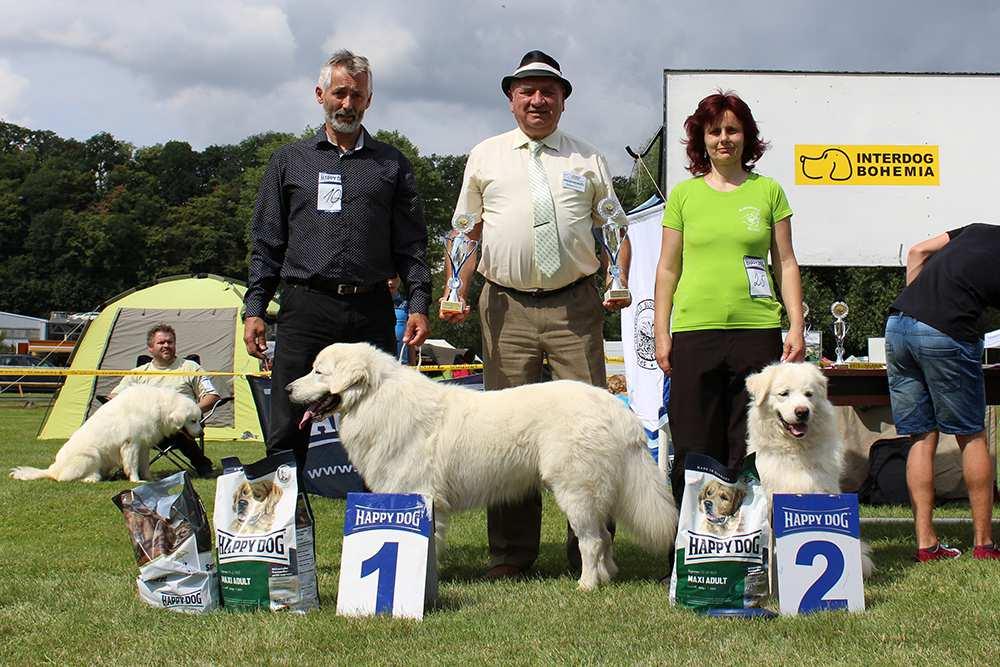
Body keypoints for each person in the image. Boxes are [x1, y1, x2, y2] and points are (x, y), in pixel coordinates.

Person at [440, 50, 631, 579]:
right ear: (511, 99)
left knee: (589, 430)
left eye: (549, 90)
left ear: (564, 100)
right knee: (502, 435)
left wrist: (618, 280)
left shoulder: (588, 159)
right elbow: (465, 230)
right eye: (527, 90)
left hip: (576, 307)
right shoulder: (485, 156)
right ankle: (511, 555)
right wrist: (455, 286)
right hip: (505, 308)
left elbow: (613, 227)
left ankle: (591, 553)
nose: (538, 100)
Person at [243, 50, 431, 469]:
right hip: (306, 306)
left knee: (387, 425)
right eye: (340, 93)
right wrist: (255, 309)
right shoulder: (289, 161)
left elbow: (411, 245)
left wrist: (418, 302)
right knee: (289, 424)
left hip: (371, 308)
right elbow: (267, 242)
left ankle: (385, 524)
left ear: (369, 100)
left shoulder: (391, 164)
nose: (347, 104)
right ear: (320, 94)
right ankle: (284, 528)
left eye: (357, 95)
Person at [653, 91, 804, 503]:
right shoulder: (684, 196)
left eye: (733, 130)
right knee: (693, 443)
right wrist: (661, 332)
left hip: (756, 333)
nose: (724, 138)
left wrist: (795, 325)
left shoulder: (768, 191)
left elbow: (786, 262)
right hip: (694, 332)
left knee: (755, 443)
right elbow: (668, 268)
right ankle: (685, 553)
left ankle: (751, 548)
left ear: (747, 136)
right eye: (714, 130)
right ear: (701, 138)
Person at [885, 224, 1000, 561]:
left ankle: (926, 544)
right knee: (971, 436)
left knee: (921, 436)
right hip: (947, 331)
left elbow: (917, 252)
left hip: (899, 323)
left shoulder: (978, 230)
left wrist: (920, 316)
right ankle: (984, 544)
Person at [110, 323, 218, 476]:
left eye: (170, 342)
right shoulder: (138, 373)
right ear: (150, 348)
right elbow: (114, 397)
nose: (166, 345)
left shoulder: (191, 368)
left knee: (177, 421)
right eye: (161, 342)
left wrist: (190, 413)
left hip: (180, 426)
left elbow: (212, 396)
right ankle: (125, 468)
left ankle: (202, 465)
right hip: (145, 427)